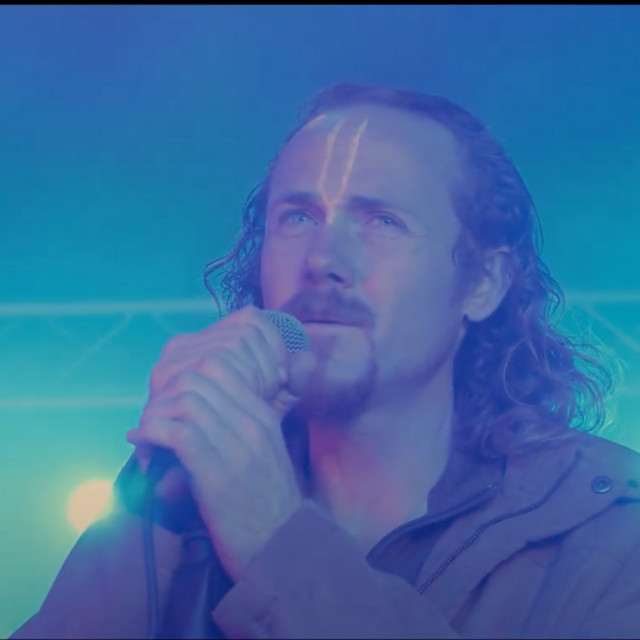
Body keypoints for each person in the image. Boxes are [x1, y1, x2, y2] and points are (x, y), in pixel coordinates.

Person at [10, 83, 640, 640]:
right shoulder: (182, 495)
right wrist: (153, 498)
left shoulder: (606, 538)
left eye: (383, 221)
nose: (322, 259)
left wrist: (277, 544)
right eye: (298, 217)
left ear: (483, 282)